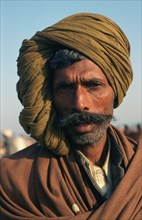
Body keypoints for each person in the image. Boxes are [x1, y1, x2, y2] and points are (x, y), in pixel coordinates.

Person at [0, 13, 141, 220]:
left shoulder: (137, 164)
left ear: (116, 91)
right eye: (65, 88)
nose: (79, 103)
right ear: (51, 96)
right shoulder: (14, 181)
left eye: (93, 85)